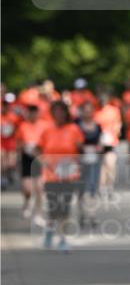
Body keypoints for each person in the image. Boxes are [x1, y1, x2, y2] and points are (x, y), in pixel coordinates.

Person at [37, 101, 84, 251]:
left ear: (66, 113)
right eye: (55, 111)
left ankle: (63, 239)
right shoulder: (47, 130)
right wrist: (44, 162)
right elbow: (38, 150)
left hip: (69, 174)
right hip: (51, 175)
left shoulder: (74, 129)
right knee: (53, 208)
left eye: (61, 111)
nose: (59, 114)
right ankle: (49, 231)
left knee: (64, 207)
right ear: (52, 114)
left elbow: (80, 150)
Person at [16, 103, 49, 221]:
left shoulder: (45, 125)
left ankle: (38, 213)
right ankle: (27, 201)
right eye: (31, 112)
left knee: (39, 188)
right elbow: (18, 144)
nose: (33, 115)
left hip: (39, 158)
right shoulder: (23, 126)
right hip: (26, 158)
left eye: (35, 112)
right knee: (27, 188)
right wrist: (24, 147)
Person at [76, 101, 103, 226]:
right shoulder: (76, 125)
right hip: (79, 160)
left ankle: (93, 214)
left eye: (90, 110)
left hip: (94, 159)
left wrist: (99, 148)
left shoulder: (97, 126)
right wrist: (81, 147)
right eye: (85, 111)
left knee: (93, 186)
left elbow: (101, 142)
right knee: (82, 187)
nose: (88, 113)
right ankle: (82, 213)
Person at [94, 91, 123, 196]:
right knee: (101, 165)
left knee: (110, 164)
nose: (102, 101)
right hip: (99, 142)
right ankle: (101, 187)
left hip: (111, 140)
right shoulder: (95, 111)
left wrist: (116, 130)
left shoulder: (114, 110)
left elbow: (118, 123)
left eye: (104, 99)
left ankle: (110, 186)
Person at [1, 93, 21, 189]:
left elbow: (19, 128)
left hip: (11, 142)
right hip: (1, 142)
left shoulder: (14, 117)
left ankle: (11, 173)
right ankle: (3, 179)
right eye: (4, 104)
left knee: (11, 163)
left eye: (7, 105)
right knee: (2, 162)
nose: (5, 106)